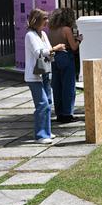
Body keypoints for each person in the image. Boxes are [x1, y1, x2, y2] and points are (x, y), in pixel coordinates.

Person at [25, 9, 66, 144]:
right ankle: (40, 135)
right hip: (34, 76)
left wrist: (52, 51)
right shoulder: (30, 35)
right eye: (44, 19)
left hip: (45, 73)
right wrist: (55, 49)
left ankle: (46, 131)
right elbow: (39, 53)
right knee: (42, 104)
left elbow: (47, 51)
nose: (47, 22)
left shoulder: (42, 34)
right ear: (36, 20)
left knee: (48, 102)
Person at [48, 8, 82, 123]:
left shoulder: (51, 29)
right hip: (66, 57)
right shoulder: (66, 29)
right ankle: (67, 113)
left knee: (57, 86)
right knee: (68, 86)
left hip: (54, 58)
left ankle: (59, 113)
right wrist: (79, 40)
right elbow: (74, 47)